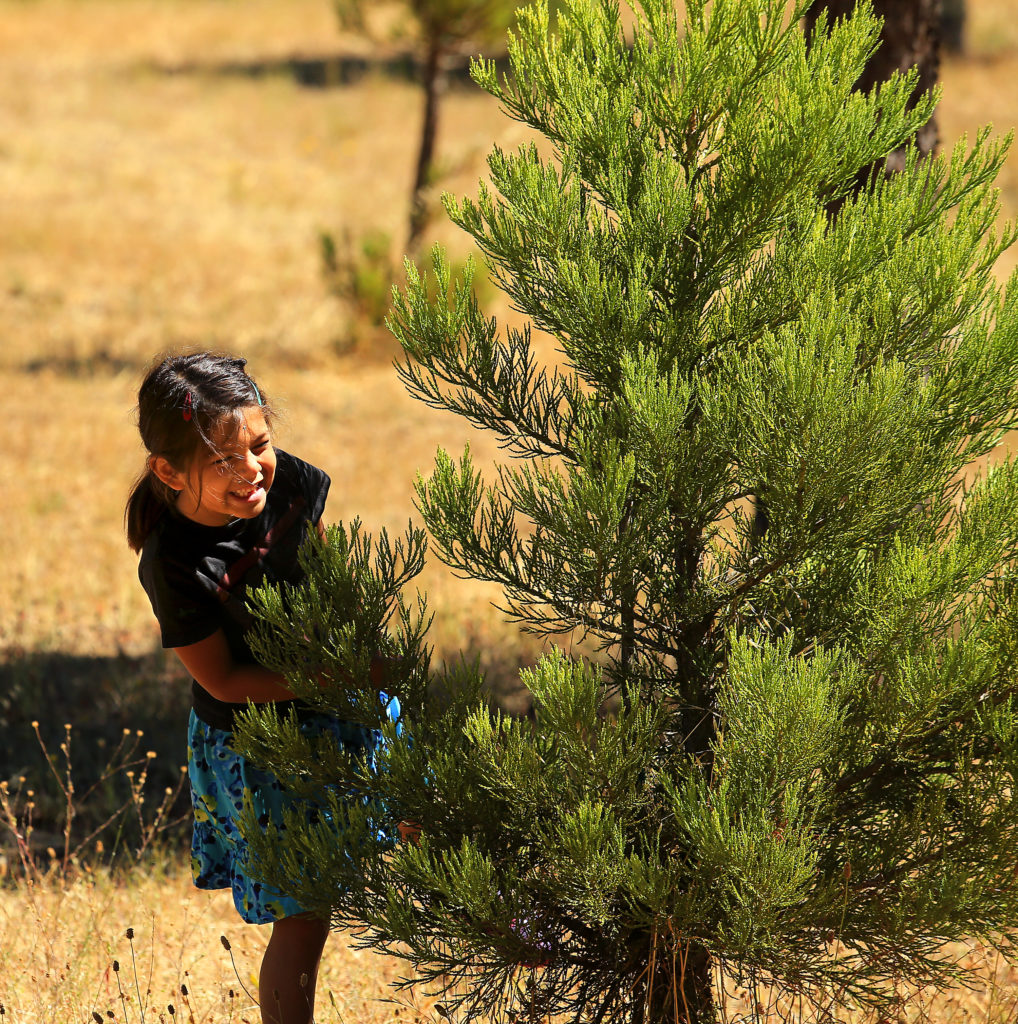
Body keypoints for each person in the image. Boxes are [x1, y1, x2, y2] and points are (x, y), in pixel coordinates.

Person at [126, 351, 385, 1024]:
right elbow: (224, 678)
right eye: (222, 460)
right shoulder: (175, 563)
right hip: (257, 742)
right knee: (303, 916)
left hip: (339, 703)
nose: (250, 470)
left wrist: (361, 653)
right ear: (168, 470)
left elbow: (328, 579)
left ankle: (511, 931)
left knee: (423, 814)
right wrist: (326, 675)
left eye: (260, 445)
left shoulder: (291, 483)